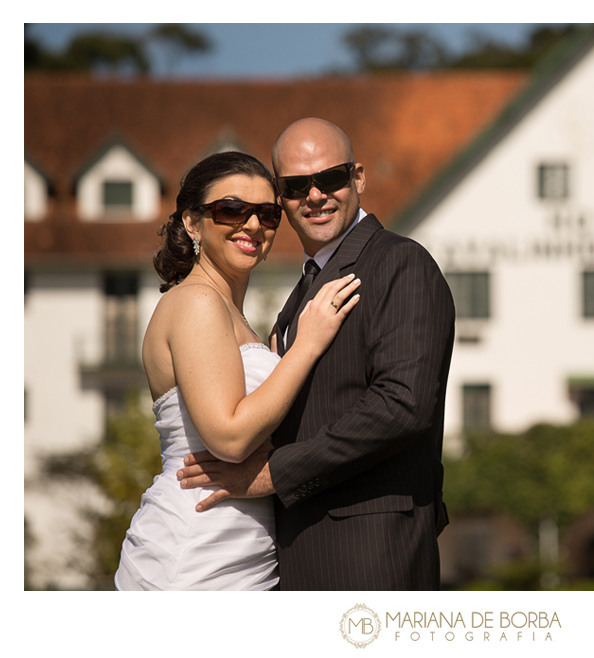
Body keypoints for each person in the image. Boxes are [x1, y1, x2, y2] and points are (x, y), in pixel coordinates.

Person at [177, 118, 456, 590]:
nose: (315, 196)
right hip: (289, 550)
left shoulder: (399, 263)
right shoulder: (303, 289)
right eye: (296, 186)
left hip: (369, 549)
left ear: (358, 177)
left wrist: (273, 475)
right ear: (281, 199)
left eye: (329, 178)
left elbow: (403, 406)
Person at [114, 151, 361, 590]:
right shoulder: (197, 302)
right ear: (192, 223)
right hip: (197, 549)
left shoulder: (230, 314)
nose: (251, 225)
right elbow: (229, 437)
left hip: (241, 549)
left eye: (267, 214)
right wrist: (305, 347)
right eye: (231, 210)